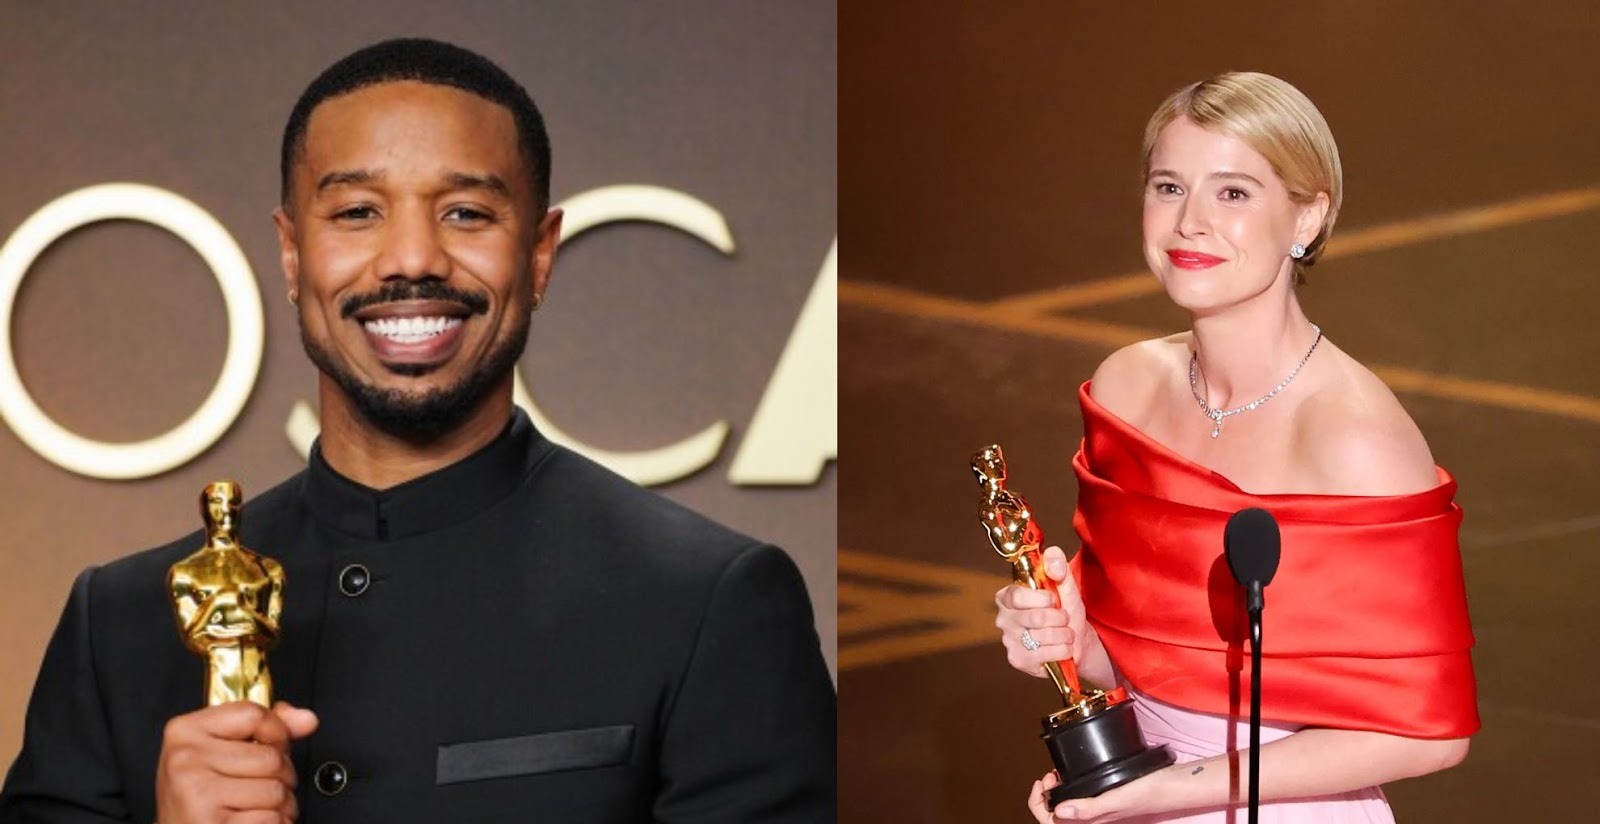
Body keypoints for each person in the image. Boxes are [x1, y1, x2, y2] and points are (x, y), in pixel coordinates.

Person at [0, 38, 835, 823]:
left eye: (467, 213)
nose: (411, 259)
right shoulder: (118, 623)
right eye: (357, 212)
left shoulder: (708, 604)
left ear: (540, 255)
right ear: (292, 256)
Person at [993, 72, 1477, 823]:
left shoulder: (1354, 437)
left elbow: (1428, 734)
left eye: (1233, 194)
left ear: (1307, 219)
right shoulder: (1127, 390)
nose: (1189, 223)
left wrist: (1175, 789)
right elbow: (1143, 659)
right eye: (1167, 187)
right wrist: (1065, 638)